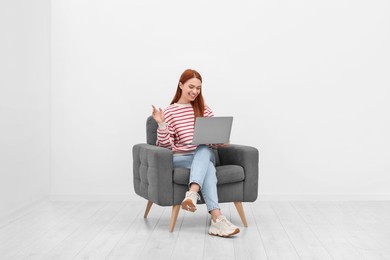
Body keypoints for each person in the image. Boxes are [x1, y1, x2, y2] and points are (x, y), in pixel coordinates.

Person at [152, 69, 240, 237]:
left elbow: (211, 140)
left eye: (198, 88)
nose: (194, 91)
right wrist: (162, 124)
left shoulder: (204, 109)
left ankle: (193, 194)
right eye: (191, 87)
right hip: (180, 158)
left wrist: (221, 141)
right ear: (180, 85)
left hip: (203, 154)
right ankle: (217, 219)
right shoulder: (169, 112)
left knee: (204, 149)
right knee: (208, 164)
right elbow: (164, 146)